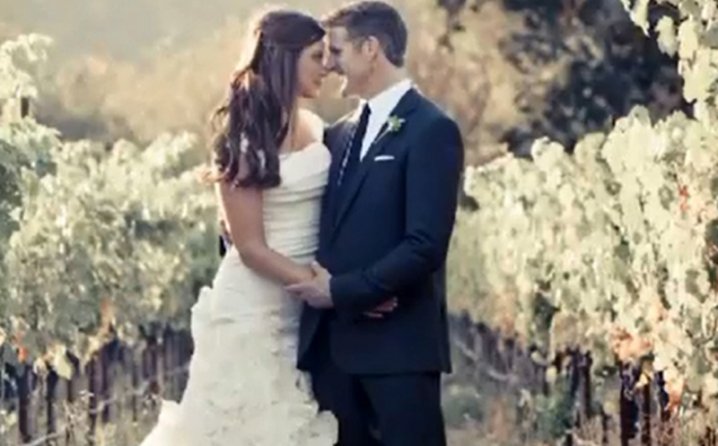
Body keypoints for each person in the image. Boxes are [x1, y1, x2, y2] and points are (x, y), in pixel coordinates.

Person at [139, 9, 338, 445]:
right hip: (255, 304)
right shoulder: (243, 138)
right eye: (315, 56)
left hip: (298, 309)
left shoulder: (316, 128)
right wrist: (319, 287)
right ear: (284, 59)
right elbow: (249, 247)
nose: (326, 66)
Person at [288, 2, 465, 445]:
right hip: (333, 355)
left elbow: (425, 244)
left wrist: (347, 291)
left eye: (336, 51)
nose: (329, 64)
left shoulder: (432, 130)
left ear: (370, 49)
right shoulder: (338, 134)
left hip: (398, 352)